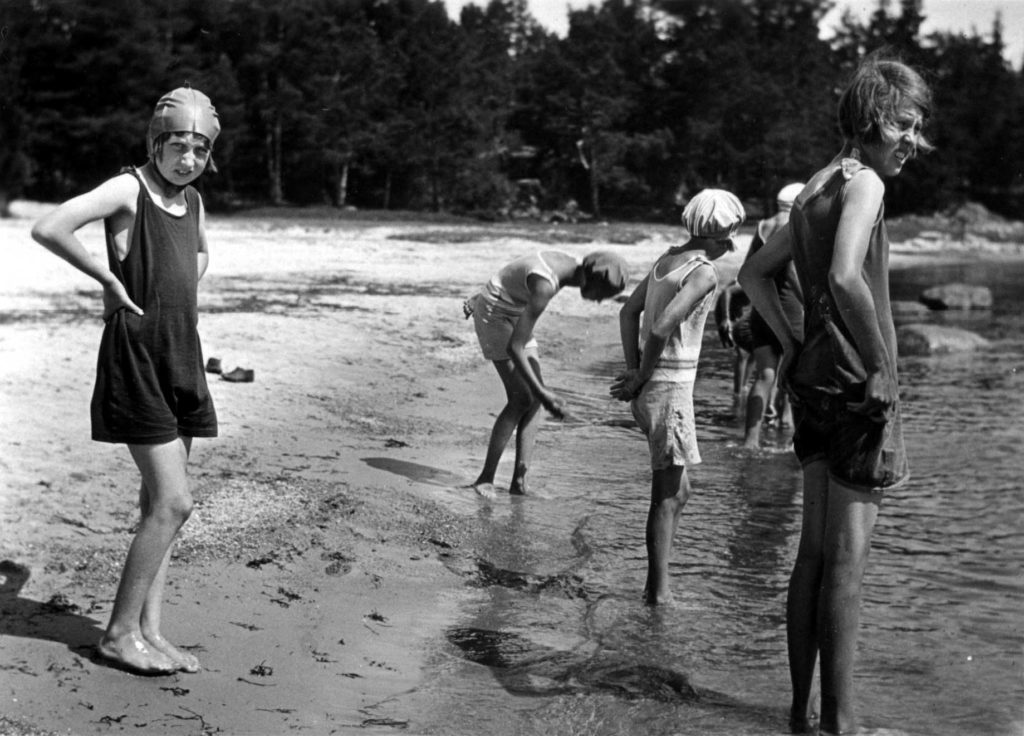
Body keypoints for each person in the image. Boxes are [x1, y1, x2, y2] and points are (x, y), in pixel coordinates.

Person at [739, 56, 929, 734]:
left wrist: (790, 344)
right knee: (847, 565)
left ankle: (803, 712)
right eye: (905, 125)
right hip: (857, 387)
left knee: (812, 555)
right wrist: (882, 363)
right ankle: (844, 724)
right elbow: (848, 276)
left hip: (814, 382)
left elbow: (754, 270)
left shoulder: (817, 184)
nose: (914, 141)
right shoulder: (867, 183)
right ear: (875, 117)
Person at [31, 85, 222, 675]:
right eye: (177, 147)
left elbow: (199, 256)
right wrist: (109, 281)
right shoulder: (127, 189)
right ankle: (117, 635)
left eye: (199, 150)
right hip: (136, 357)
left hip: (180, 356)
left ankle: (149, 629)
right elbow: (51, 226)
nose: (187, 160)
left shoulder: (192, 202)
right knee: (174, 501)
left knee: (154, 504)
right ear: (154, 141)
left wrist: (179, 298)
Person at [611, 189, 746, 605]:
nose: (731, 246)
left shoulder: (666, 259)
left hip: (654, 387)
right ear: (713, 237)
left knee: (680, 490)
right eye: (728, 238)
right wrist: (640, 377)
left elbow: (627, 313)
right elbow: (659, 329)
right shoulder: (704, 272)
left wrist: (636, 372)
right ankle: (658, 594)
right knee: (667, 497)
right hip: (668, 388)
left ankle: (657, 586)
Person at [465, 250, 628, 497]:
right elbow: (515, 347)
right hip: (495, 313)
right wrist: (543, 392)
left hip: (512, 305)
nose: (597, 302)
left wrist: (542, 395)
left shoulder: (574, 267)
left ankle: (519, 483)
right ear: (589, 279)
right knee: (522, 397)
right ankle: (485, 478)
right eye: (600, 295)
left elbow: (516, 272)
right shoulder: (546, 285)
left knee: (535, 401)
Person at [741, 182, 805, 449]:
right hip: (789, 311)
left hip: (762, 311)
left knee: (765, 376)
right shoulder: (792, 227)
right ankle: (792, 438)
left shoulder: (763, 226)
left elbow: (748, 269)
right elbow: (790, 272)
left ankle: (751, 441)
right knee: (797, 376)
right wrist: (810, 301)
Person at [713, 278, 754, 419]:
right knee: (742, 352)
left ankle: (743, 387)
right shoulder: (754, 279)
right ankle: (737, 394)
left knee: (755, 349)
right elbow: (727, 291)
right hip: (726, 311)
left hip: (740, 310)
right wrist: (725, 318)